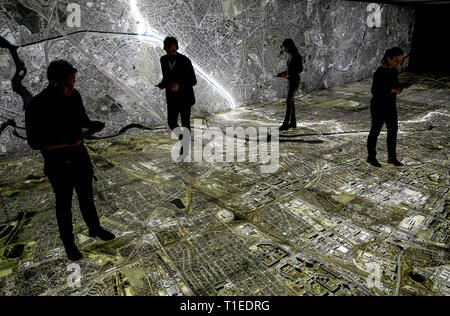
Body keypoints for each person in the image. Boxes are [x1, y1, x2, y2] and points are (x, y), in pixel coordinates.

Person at [25, 60, 115, 261]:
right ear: (54, 83)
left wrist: (94, 125)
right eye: (68, 84)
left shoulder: (74, 95)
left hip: (79, 157)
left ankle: (94, 228)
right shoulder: (37, 105)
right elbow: (34, 142)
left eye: (73, 84)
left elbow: (83, 120)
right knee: (64, 205)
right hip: (58, 164)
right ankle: (69, 244)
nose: (71, 89)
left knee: (87, 197)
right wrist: (66, 142)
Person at [367, 47, 411, 167]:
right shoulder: (379, 72)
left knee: (393, 132)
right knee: (375, 131)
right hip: (378, 106)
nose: (399, 63)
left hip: (391, 106)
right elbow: (375, 91)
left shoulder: (394, 71)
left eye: (400, 60)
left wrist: (402, 86)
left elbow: (394, 85)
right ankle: (371, 157)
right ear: (389, 58)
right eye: (397, 60)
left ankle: (392, 158)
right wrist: (392, 89)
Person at [157, 37, 197, 156]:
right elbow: (167, 77)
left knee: (185, 123)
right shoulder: (163, 60)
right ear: (165, 50)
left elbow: (193, 81)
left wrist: (179, 85)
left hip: (185, 98)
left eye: (173, 51)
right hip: (172, 98)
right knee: (171, 123)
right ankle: (184, 139)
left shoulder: (185, 61)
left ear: (177, 49)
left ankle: (185, 147)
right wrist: (163, 84)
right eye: (168, 51)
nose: (171, 54)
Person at [277, 38, 303, 131]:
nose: (285, 51)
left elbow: (300, 69)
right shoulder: (291, 56)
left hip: (295, 81)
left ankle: (286, 123)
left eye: (285, 49)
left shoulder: (297, 56)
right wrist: (281, 74)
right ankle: (293, 122)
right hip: (290, 80)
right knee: (291, 102)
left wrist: (289, 74)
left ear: (289, 47)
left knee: (288, 101)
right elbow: (289, 70)